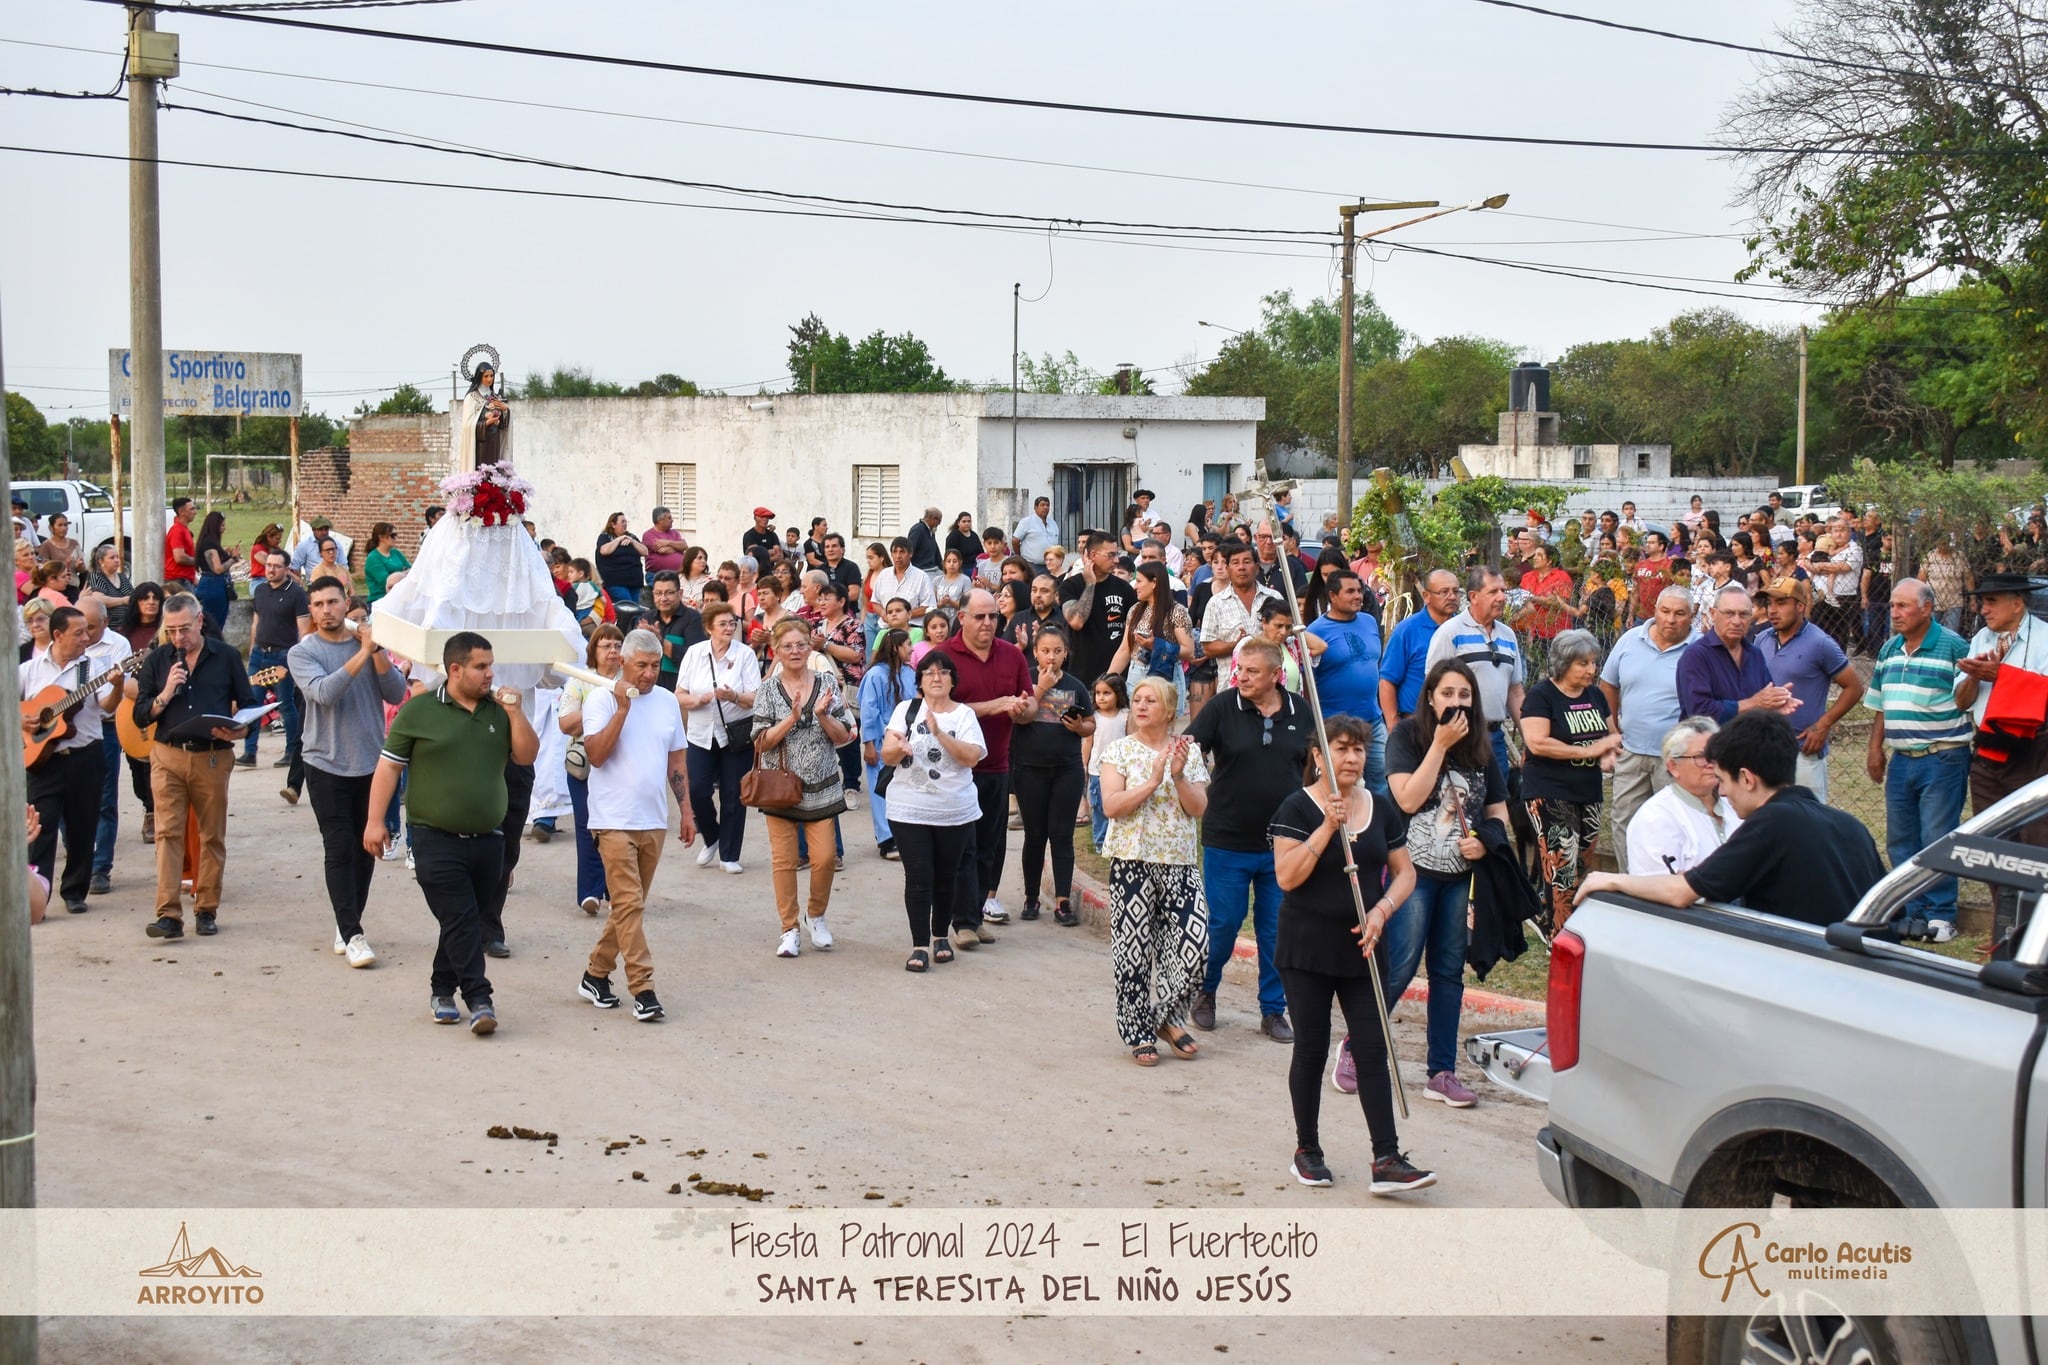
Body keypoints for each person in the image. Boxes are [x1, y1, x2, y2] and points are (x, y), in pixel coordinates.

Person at [1268, 714, 1435, 1194]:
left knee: (1371, 1047)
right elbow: (1287, 877)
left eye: (1358, 749)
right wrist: (1326, 827)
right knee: (1313, 1046)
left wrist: (1382, 911)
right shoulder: (1296, 808)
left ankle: (1386, 1158)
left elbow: (1405, 873)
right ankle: (1308, 1151)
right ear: (1319, 756)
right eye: (1340, 748)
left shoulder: (1380, 808)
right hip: (1306, 950)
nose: (1352, 757)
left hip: (1363, 948)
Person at [365, 631, 539, 1033]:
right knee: (462, 919)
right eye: (481, 667)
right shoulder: (419, 711)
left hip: (489, 839)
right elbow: (389, 767)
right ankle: (480, 998)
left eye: (491, 665)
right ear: (455, 669)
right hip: (433, 838)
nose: (490, 674)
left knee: (465, 920)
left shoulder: (498, 711)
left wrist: (515, 714)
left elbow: (527, 755)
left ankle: (442, 989)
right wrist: (376, 822)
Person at [1575, 710, 1885, 927]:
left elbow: (1682, 891)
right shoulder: (1850, 826)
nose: (1722, 793)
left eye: (1723, 780)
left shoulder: (1769, 825)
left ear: (1747, 779)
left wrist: (1611, 878)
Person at [1381, 658, 1510, 1109]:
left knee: (1448, 974)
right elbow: (1408, 798)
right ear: (1431, 697)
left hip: (1458, 879)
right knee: (1399, 965)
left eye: (1465, 695)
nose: (1457, 703)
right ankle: (1360, 1049)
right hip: (1411, 875)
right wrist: (1438, 746)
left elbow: (1497, 812)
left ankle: (1442, 1071)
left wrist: (1486, 842)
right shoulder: (1407, 737)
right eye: (1448, 694)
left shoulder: (1483, 745)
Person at [1184, 636, 1314, 1040]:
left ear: (1277, 676)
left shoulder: (1301, 711)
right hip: (1227, 839)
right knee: (1222, 924)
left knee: (1276, 930)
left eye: (1252, 671)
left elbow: (1313, 767)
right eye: (1239, 669)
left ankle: (1273, 1011)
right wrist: (1190, 786)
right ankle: (1204, 992)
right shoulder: (1223, 707)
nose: (1241, 676)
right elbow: (1189, 750)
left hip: (1284, 845)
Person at [576, 629, 696, 1023]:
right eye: (641, 665)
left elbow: (676, 762)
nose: (648, 674)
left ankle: (595, 973)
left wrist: (687, 811)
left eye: (655, 665)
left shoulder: (666, 702)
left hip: (653, 819)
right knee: (628, 903)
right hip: (612, 819)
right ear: (622, 662)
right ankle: (643, 988)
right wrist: (622, 709)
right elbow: (595, 754)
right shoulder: (599, 699)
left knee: (629, 907)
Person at [289, 576, 409, 968]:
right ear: (311, 609)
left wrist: (376, 654)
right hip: (325, 762)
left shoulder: (369, 647)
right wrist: (363, 653)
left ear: (346, 604)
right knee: (339, 848)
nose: (326, 610)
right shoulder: (303, 653)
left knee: (366, 848)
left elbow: (395, 693)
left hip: (372, 764)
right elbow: (324, 693)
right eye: (319, 604)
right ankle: (354, 932)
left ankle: (347, 922)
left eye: (333, 602)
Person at [131, 592, 259, 940]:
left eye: (184, 629)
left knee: (211, 836)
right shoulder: (157, 661)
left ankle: (206, 909)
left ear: (200, 620)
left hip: (212, 756)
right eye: (170, 631)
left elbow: (249, 708)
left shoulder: (227, 657)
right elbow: (141, 714)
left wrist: (239, 728)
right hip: (167, 755)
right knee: (167, 833)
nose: (178, 638)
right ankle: (168, 915)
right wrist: (164, 694)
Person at [1097, 677, 1210, 1067]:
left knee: (1194, 950)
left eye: (1151, 700)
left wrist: (1177, 775)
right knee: (1134, 955)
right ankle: (1138, 1030)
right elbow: (1112, 806)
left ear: (1169, 710)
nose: (1142, 706)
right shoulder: (1119, 751)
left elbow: (1197, 809)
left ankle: (1165, 1018)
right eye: (1138, 700)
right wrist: (1152, 780)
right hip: (1132, 862)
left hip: (1179, 862)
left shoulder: (1188, 752)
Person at [1860, 579, 1970, 941]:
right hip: (1901, 759)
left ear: (1927, 609)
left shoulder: (1954, 647)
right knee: (1901, 840)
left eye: (1903, 606)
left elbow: (1968, 700)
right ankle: (1912, 910)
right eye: (1892, 606)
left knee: (1936, 837)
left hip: (1943, 758)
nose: (1894, 613)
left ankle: (1942, 915)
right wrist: (1876, 749)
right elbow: (1880, 705)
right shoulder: (1889, 648)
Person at [1954, 573, 2048, 947]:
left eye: (1992, 601)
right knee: (1991, 841)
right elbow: (1961, 701)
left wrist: (2004, 676)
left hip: (2034, 751)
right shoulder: (1980, 639)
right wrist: (1976, 679)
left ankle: (2035, 935)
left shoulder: (2044, 639)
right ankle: (2003, 929)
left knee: (2036, 843)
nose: (1984, 608)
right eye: (1982, 601)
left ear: (2018, 603)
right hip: (1987, 750)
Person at [752, 617, 855, 957]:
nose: (794, 651)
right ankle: (789, 928)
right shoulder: (767, 689)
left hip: (822, 785)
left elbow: (844, 736)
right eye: (787, 646)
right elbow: (760, 742)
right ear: (776, 651)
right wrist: (792, 718)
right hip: (780, 787)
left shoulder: (826, 682)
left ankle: (816, 914)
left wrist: (823, 716)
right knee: (783, 861)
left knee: (824, 858)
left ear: (810, 647)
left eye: (800, 645)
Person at [881, 651, 988, 970]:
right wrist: (897, 749)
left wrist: (940, 733)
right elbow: (887, 754)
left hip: (954, 810)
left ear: (953, 680)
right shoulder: (906, 710)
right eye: (928, 673)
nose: (936, 677)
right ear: (920, 682)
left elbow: (972, 757)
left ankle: (941, 935)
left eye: (942, 672)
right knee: (918, 876)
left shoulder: (964, 715)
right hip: (908, 809)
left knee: (946, 875)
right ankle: (919, 946)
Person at [939, 588, 1037, 934]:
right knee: (958, 847)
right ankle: (960, 920)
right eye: (979, 616)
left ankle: (974, 914)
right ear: (962, 617)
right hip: (953, 770)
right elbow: (934, 710)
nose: (988, 623)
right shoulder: (943, 656)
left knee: (989, 847)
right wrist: (992, 706)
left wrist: (1023, 710)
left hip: (996, 764)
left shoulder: (1012, 654)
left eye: (993, 616)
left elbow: (1029, 704)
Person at [22, 606, 122, 916]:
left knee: (83, 825)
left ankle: (75, 891)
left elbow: (106, 706)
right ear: (57, 635)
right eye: (78, 632)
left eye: (87, 631)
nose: (86, 637)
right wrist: (22, 720)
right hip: (43, 760)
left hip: (85, 755)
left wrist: (118, 686)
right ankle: (37, 892)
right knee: (41, 826)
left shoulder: (93, 668)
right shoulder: (30, 669)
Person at [1519, 630, 1621, 932]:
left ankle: (1571, 928)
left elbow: (1610, 735)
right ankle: (1559, 934)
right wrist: (1587, 750)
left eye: (1593, 662)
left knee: (1582, 865)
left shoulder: (1595, 695)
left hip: (1588, 790)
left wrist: (1610, 753)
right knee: (1561, 866)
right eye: (1582, 664)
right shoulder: (1541, 695)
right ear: (1563, 664)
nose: (1591, 670)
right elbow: (1537, 743)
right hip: (1550, 791)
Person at [1597, 586, 1693, 872]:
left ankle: (1668, 885)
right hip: (1631, 752)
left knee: (1675, 823)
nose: (1671, 619)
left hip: (1676, 758)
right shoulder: (1630, 640)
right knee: (1624, 820)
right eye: (1665, 611)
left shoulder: (1698, 649)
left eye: (1680, 613)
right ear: (1655, 611)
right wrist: (1613, 732)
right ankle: (1631, 883)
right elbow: (1608, 685)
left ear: (1692, 615)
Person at [1011, 627, 1093, 925]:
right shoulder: (1025, 680)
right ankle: (1031, 897)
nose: (1052, 657)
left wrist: (1079, 728)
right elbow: (1018, 716)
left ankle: (1062, 902)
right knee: (1035, 835)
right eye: (1046, 650)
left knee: (1062, 836)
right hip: (1029, 768)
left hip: (1066, 769)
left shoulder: (1075, 685)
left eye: (1058, 651)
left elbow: (1090, 723)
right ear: (1035, 651)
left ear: (1066, 652)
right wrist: (1041, 687)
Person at [1756, 576, 1865, 800]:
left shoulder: (1820, 643)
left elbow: (1854, 687)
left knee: (1807, 822)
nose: (1772, 610)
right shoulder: (1761, 640)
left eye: (1781, 603)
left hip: (1802, 751)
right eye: (1769, 603)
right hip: (1763, 748)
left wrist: (1822, 725)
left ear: (1800, 606)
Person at [675, 601, 761, 875]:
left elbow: (756, 698)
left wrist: (734, 696)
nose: (728, 628)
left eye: (732, 624)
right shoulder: (694, 653)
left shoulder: (745, 654)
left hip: (736, 735)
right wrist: (696, 699)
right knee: (698, 790)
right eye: (722, 624)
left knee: (733, 795)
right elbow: (679, 693)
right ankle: (712, 837)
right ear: (708, 627)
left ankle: (729, 853)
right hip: (701, 734)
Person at [1425, 567, 1526, 781]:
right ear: (1473, 596)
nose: (1501, 597)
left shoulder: (1508, 635)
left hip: (1495, 737)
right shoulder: (1450, 633)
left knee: (1498, 802)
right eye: (1493, 592)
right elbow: (1432, 687)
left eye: (1503, 591)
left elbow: (1515, 692)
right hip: (1461, 736)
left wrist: (1530, 739)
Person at [558, 624, 624, 915]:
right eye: (605, 645)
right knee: (587, 827)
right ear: (593, 651)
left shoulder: (628, 680)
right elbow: (565, 723)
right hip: (584, 765)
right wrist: (598, 707)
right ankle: (589, 891)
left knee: (618, 828)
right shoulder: (580, 681)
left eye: (617, 645)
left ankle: (615, 891)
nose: (612, 650)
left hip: (621, 764)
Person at [1626, 717, 1742, 877]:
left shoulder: (1736, 803)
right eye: (1700, 757)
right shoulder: (1655, 818)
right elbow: (1658, 887)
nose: (1711, 763)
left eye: (1716, 755)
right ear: (1673, 767)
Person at [1307, 569, 1385, 790]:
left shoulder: (1369, 621)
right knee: (1341, 783)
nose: (1358, 596)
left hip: (1373, 720)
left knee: (1382, 780)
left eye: (1359, 591)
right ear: (1332, 596)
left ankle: (1377, 823)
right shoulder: (1316, 631)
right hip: (1334, 723)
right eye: (1350, 591)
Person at [1677, 584, 1797, 726]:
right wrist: (1753, 703)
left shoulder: (1755, 654)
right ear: (1713, 614)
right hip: (1709, 746)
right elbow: (1700, 712)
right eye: (1729, 613)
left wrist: (1777, 704)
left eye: (1744, 614)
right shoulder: (1696, 655)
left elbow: (1766, 698)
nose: (1736, 621)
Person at [241, 552, 311, 791]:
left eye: (275, 566)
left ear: (287, 569)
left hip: (284, 654)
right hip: (260, 652)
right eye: (268, 565)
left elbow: (303, 630)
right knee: (252, 704)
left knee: (285, 704)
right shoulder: (260, 590)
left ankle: (291, 751)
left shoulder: (296, 594)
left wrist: (296, 659)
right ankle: (249, 752)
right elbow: (256, 622)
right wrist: (252, 649)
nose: (270, 570)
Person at [859, 628, 917, 861]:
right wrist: (869, 744)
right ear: (895, 648)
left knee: (905, 788)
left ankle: (904, 835)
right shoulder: (875, 675)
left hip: (909, 739)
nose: (911, 649)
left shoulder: (910, 673)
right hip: (884, 739)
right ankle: (886, 838)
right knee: (881, 787)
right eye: (907, 645)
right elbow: (868, 711)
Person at [1109, 561, 1196, 714]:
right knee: (1135, 728)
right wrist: (1108, 679)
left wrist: (1156, 645)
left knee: (1163, 730)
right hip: (1136, 673)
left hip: (1166, 676)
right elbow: (1125, 650)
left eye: (1140, 581)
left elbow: (1189, 651)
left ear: (1154, 582)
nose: (1135, 586)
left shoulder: (1177, 611)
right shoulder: (1135, 610)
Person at [1379, 569, 1459, 727]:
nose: (1452, 596)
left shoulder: (1464, 628)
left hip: (1459, 725)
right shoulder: (1407, 630)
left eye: (1456, 591)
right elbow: (1387, 681)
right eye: (1444, 592)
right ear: (1427, 596)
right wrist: (1394, 727)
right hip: (1417, 724)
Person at [1060, 531, 1136, 689]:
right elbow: (1076, 621)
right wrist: (1090, 584)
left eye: (1117, 555)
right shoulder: (1071, 585)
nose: (1116, 560)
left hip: (1116, 677)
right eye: (1111, 555)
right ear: (1093, 555)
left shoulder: (1125, 589)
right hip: (1079, 676)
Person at [644, 570, 706, 694]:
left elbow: (695, 659)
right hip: (649, 691)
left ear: (680, 593)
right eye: (658, 593)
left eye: (669, 593)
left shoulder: (693, 619)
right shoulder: (646, 619)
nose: (663, 598)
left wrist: (660, 642)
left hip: (681, 693)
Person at [193, 510, 238, 638]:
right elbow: (217, 569)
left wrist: (225, 553)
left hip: (212, 584)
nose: (224, 529)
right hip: (214, 585)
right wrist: (233, 559)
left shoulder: (209, 543)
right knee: (214, 625)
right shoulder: (209, 544)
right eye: (222, 525)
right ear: (215, 526)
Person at [595, 512, 649, 607]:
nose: (625, 524)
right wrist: (619, 539)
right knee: (628, 606)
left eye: (626, 521)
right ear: (613, 524)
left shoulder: (631, 537)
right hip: (616, 582)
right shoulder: (605, 537)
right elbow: (604, 550)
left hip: (634, 582)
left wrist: (632, 541)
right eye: (622, 521)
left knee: (636, 609)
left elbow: (645, 552)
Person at [872, 536, 935, 615]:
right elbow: (875, 601)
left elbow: (930, 607)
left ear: (910, 554)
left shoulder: (921, 577)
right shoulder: (883, 575)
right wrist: (883, 613)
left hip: (912, 625)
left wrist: (905, 615)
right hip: (886, 625)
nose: (898, 556)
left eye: (902, 552)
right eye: (895, 552)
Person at [363, 522, 410, 603]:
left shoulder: (396, 553)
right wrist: (404, 573)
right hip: (380, 599)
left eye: (396, 535)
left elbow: (412, 571)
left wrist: (399, 574)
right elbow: (386, 582)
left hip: (399, 597)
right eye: (392, 535)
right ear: (381, 537)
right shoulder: (373, 558)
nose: (395, 538)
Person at [1013, 496, 1059, 572]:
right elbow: (1015, 541)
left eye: (1047, 505)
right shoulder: (1027, 522)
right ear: (1035, 507)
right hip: (1032, 565)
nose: (1045, 507)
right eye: (1042, 505)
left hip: (1050, 565)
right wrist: (1020, 557)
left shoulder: (1053, 523)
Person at [163, 496, 199, 593]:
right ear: (181, 512)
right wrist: (199, 561)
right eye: (191, 509)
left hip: (183, 579)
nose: (195, 512)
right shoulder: (177, 530)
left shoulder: (184, 529)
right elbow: (179, 558)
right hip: (177, 580)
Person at [643, 506, 688, 578]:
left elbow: (684, 546)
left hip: (678, 575)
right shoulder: (648, 535)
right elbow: (662, 550)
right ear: (660, 520)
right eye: (669, 518)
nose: (672, 520)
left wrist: (667, 542)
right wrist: (677, 548)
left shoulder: (674, 533)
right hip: (657, 576)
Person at [906, 507, 944, 574]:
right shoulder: (918, 530)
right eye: (939, 521)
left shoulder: (931, 532)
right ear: (932, 518)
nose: (939, 524)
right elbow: (909, 550)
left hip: (933, 568)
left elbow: (936, 553)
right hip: (922, 570)